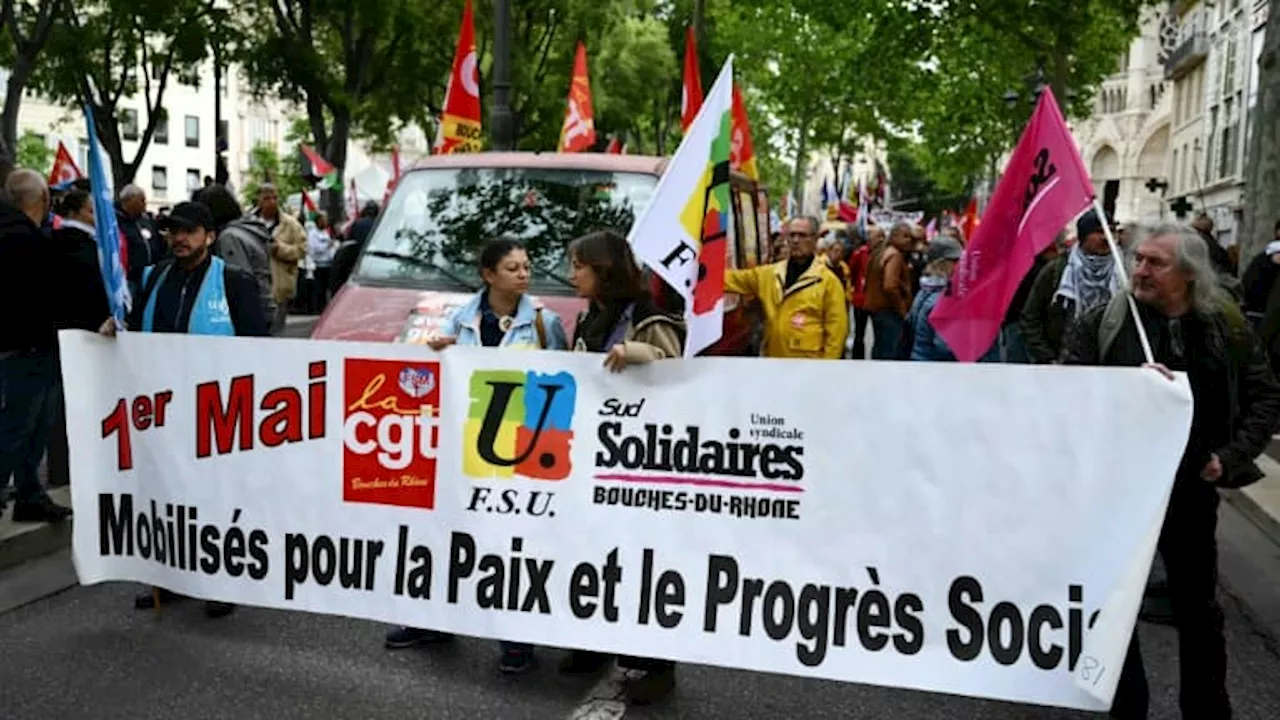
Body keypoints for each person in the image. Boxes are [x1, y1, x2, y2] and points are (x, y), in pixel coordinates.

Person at [1062, 224, 1280, 720]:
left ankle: (1207, 709)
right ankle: (1126, 708)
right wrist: (1123, 389)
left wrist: (1230, 455)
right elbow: (1068, 394)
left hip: (1191, 491)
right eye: (1137, 259)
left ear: (1188, 274)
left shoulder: (1225, 326)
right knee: (1115, 613)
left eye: (1155, 263)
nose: (1139, 270)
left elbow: (1265, 395)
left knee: (1199, 612)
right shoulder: (1103, 321)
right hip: (1117, 495)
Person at [382, 237, 568, 672]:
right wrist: (429, 354)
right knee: (446, 535)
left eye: (526, 266)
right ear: (488, 275)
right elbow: (414, 374)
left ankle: (517, 638)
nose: (523, 274)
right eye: (512, 267)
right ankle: (432, 619)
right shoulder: (455, 319)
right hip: (459, 447)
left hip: (519, 454)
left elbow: (564, 383)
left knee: (513, 545)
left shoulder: (546, 323)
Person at [117, 201, 268, 617]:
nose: (179, 238)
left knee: (217, 498)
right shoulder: (153, 277)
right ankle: (171, 579)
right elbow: (135, 328)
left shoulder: (234, 283)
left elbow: (259, 348)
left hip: (217, 414)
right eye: (172, 231)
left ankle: (220, 580)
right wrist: (114, 329)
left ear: (209, 236)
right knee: (169, 498)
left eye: (188, 231)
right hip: (163, 411)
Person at [559, 229, 683, 704]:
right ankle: (593, 643)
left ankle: (657, 665)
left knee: (642, 561)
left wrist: (639, 355)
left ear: (604, 270)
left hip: (640, 462)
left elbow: (678, 375)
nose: (572, 275)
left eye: (579, 266)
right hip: (593, 454)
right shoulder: (591, 317)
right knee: (593, 554)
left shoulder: (649, 317)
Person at [0, 169, 73, 522]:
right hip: (26, 349)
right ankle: (22, 492)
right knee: (19, 430)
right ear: (43, 200)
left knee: (26, 428)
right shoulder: (29, 243)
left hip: (18, 347)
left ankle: (29, 493)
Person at [45, 188, 112, 489]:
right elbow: (92, 294)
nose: (96, 217)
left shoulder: (49, 240)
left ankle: (60, 472)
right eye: (91, 211)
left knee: (59, 411)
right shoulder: (85, 248)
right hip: (86, 337)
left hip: (57, 337)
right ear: (75, 213)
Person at [724, 216, 848, 359]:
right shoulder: (769, 274)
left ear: (815, 239)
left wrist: (825, 370)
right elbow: (732, 280)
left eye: (802, 235)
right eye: (792, 235)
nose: (796, 240)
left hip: (809, 367)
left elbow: (836, 334)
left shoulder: (828, 282)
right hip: (774, 363)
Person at [1021, 209, 1117, 364]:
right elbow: (1030, 317)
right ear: (1083, 236)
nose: (1107, 237)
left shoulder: (1124, 271)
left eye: (1112, 231)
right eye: (1100, 231)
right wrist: (1046, 357)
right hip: (1061, 363)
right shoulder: (1057, 270)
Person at [193, 184, 274, 322]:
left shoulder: (229, 238)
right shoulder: (248, 228)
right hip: (264, 303)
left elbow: (239, 284)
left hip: (250, 311)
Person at [251, 184, 308, 333]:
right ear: (258, 200)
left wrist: (280, 249)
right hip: (254, 286)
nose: (271, 202)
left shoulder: (291, 224)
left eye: (275, 198)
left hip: (279, 288)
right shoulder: (249, 223)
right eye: (267, 198)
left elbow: (302, 250)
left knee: (276, 333)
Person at [863, 222, 914, 359]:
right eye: (905, 236)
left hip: (877, 309)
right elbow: (890, 285)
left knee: (880, 349)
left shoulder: (881, 252)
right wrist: (901, 308)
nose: (909, 240)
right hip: (888, 310)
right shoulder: (895, 255)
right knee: (889, 352)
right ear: (894, 236)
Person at [330, 201, 379, 293]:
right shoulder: (379, 224)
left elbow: (350, 242)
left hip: (355, 260)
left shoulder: (357, 223)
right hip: (373, 261)